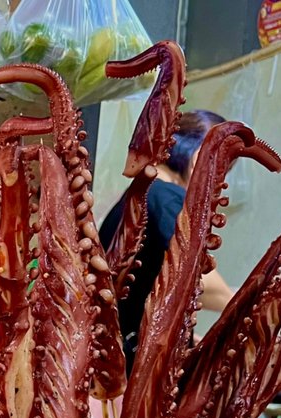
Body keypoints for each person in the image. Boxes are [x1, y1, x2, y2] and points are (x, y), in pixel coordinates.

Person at [98, 109, 235, 372]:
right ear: (198, 159)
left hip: (117, 353)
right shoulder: (167, 197)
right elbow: (198, 279)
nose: (219, 183)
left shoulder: (140, 196)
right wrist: (245, 310)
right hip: (134, 366)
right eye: (222, 170)